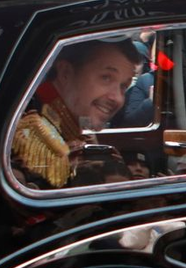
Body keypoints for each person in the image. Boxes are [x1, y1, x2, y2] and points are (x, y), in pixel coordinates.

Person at [11, 38, 141, 188]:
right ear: (66, 73)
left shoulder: (64, 118)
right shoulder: (30, 125)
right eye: (106, 78)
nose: (117, 98)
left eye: (124, 86)